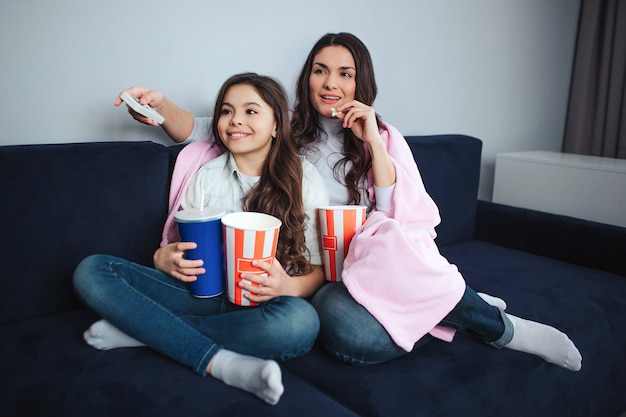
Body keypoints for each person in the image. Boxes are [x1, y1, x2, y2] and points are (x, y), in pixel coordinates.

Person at [116, 33, 582, 372]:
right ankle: (444, 300)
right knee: (348, 332)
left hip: (375, 262)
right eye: (320, 70)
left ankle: (504, 328)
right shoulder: (287, 129)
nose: (330, 82)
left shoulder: (380, 137)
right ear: (307, 77)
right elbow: (211, 129)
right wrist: (160, 107)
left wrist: (373, 142)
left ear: (361, 82)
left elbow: (397, 212)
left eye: (345, 73)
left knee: (387, 239)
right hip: (319, 271)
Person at [74, 73, 329, 406]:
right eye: (226, 111)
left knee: (301, 323)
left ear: (277, 125)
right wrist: (161, 257)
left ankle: (143, 331)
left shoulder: (303, 175)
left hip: (263, 304)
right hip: (203, 294)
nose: (235, 119)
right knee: (92, 270)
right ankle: (220, 360)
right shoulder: (206, 173)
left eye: (251, 111)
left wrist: (289, 288)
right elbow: (187, 247)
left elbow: (321, 267)